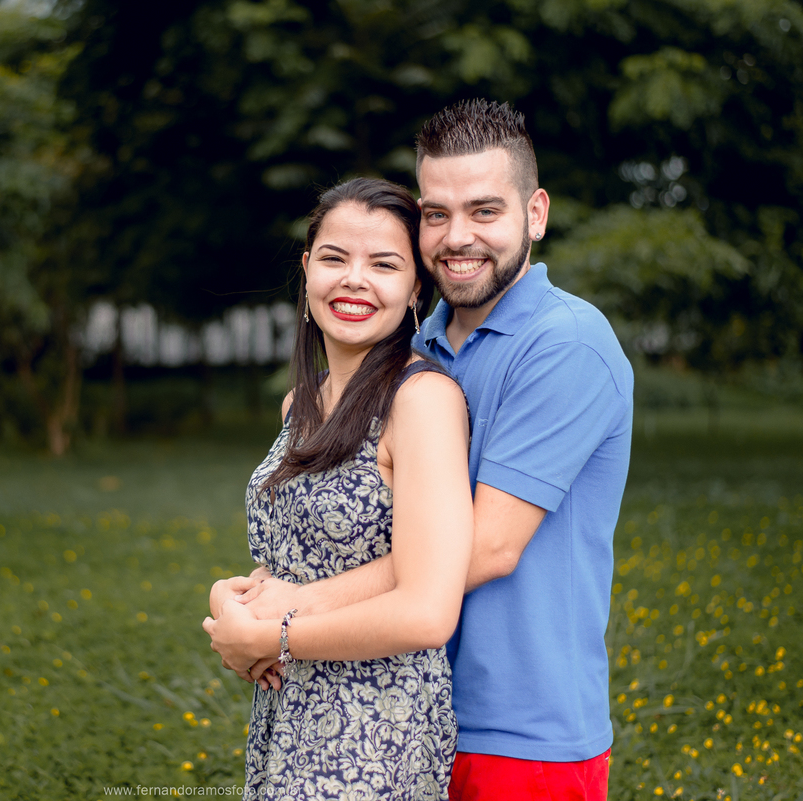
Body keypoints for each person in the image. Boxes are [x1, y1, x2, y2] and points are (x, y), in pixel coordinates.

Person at [210, 99, 633, 801]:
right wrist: (245, 597)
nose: (457, 236)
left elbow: (487, 544)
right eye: (436, 213)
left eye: (485, 211)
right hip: (394, 700)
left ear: (536, 213)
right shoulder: (415, 349)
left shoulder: (566, 344)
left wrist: (285, 620)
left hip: (518, 730)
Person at [202, 176, 474, 800]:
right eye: (334, 258)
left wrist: (273, 636)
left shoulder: (423, 400)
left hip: (376, 723)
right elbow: (298, 561)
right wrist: (233, 596)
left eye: (384, 264)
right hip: (288, 707)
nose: (355, 279)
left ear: (415, 291)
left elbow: (428, 610)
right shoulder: (301, 402)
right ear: (306, 274)